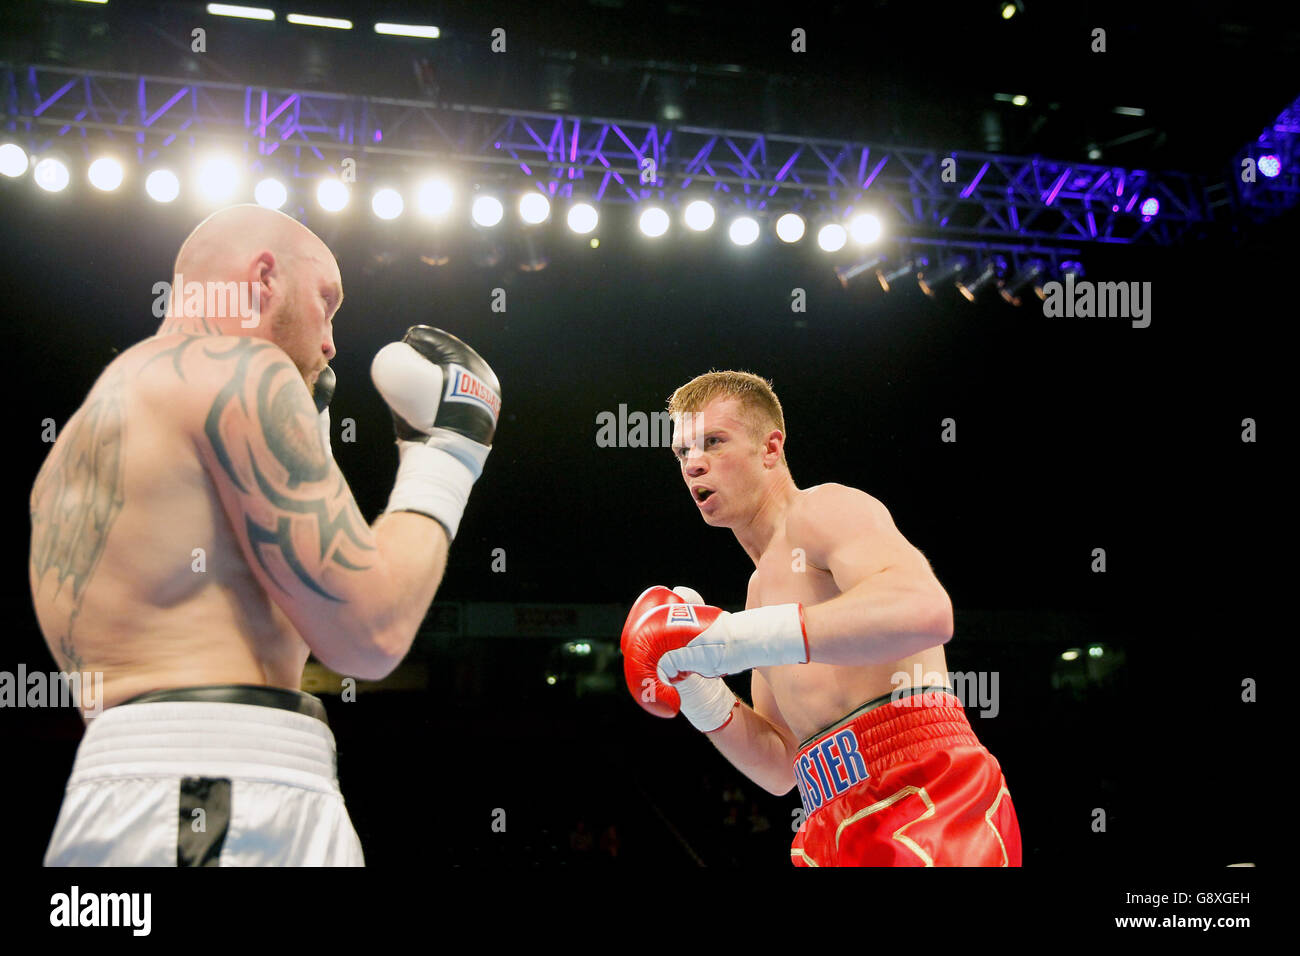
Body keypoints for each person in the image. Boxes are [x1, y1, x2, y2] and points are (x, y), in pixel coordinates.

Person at [29, 204, 500, 865]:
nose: (332, 340)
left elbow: (264, 600)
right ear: (263, 277)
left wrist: (309, 433)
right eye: (326, 301)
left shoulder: (78, 446)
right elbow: (369, 633)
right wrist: (449, 454)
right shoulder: (241, 369)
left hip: (124, 788)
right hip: (221, 787)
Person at [621, 371, 1020, 866]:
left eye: (713, 442)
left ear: (770, 449)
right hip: (827, 817)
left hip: (925, 789)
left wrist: (733, 640)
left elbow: (924, 610)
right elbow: (782, 766)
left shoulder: (824, 509)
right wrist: (700, 691)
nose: (693, 464)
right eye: (682, 453)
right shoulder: (756, 594)